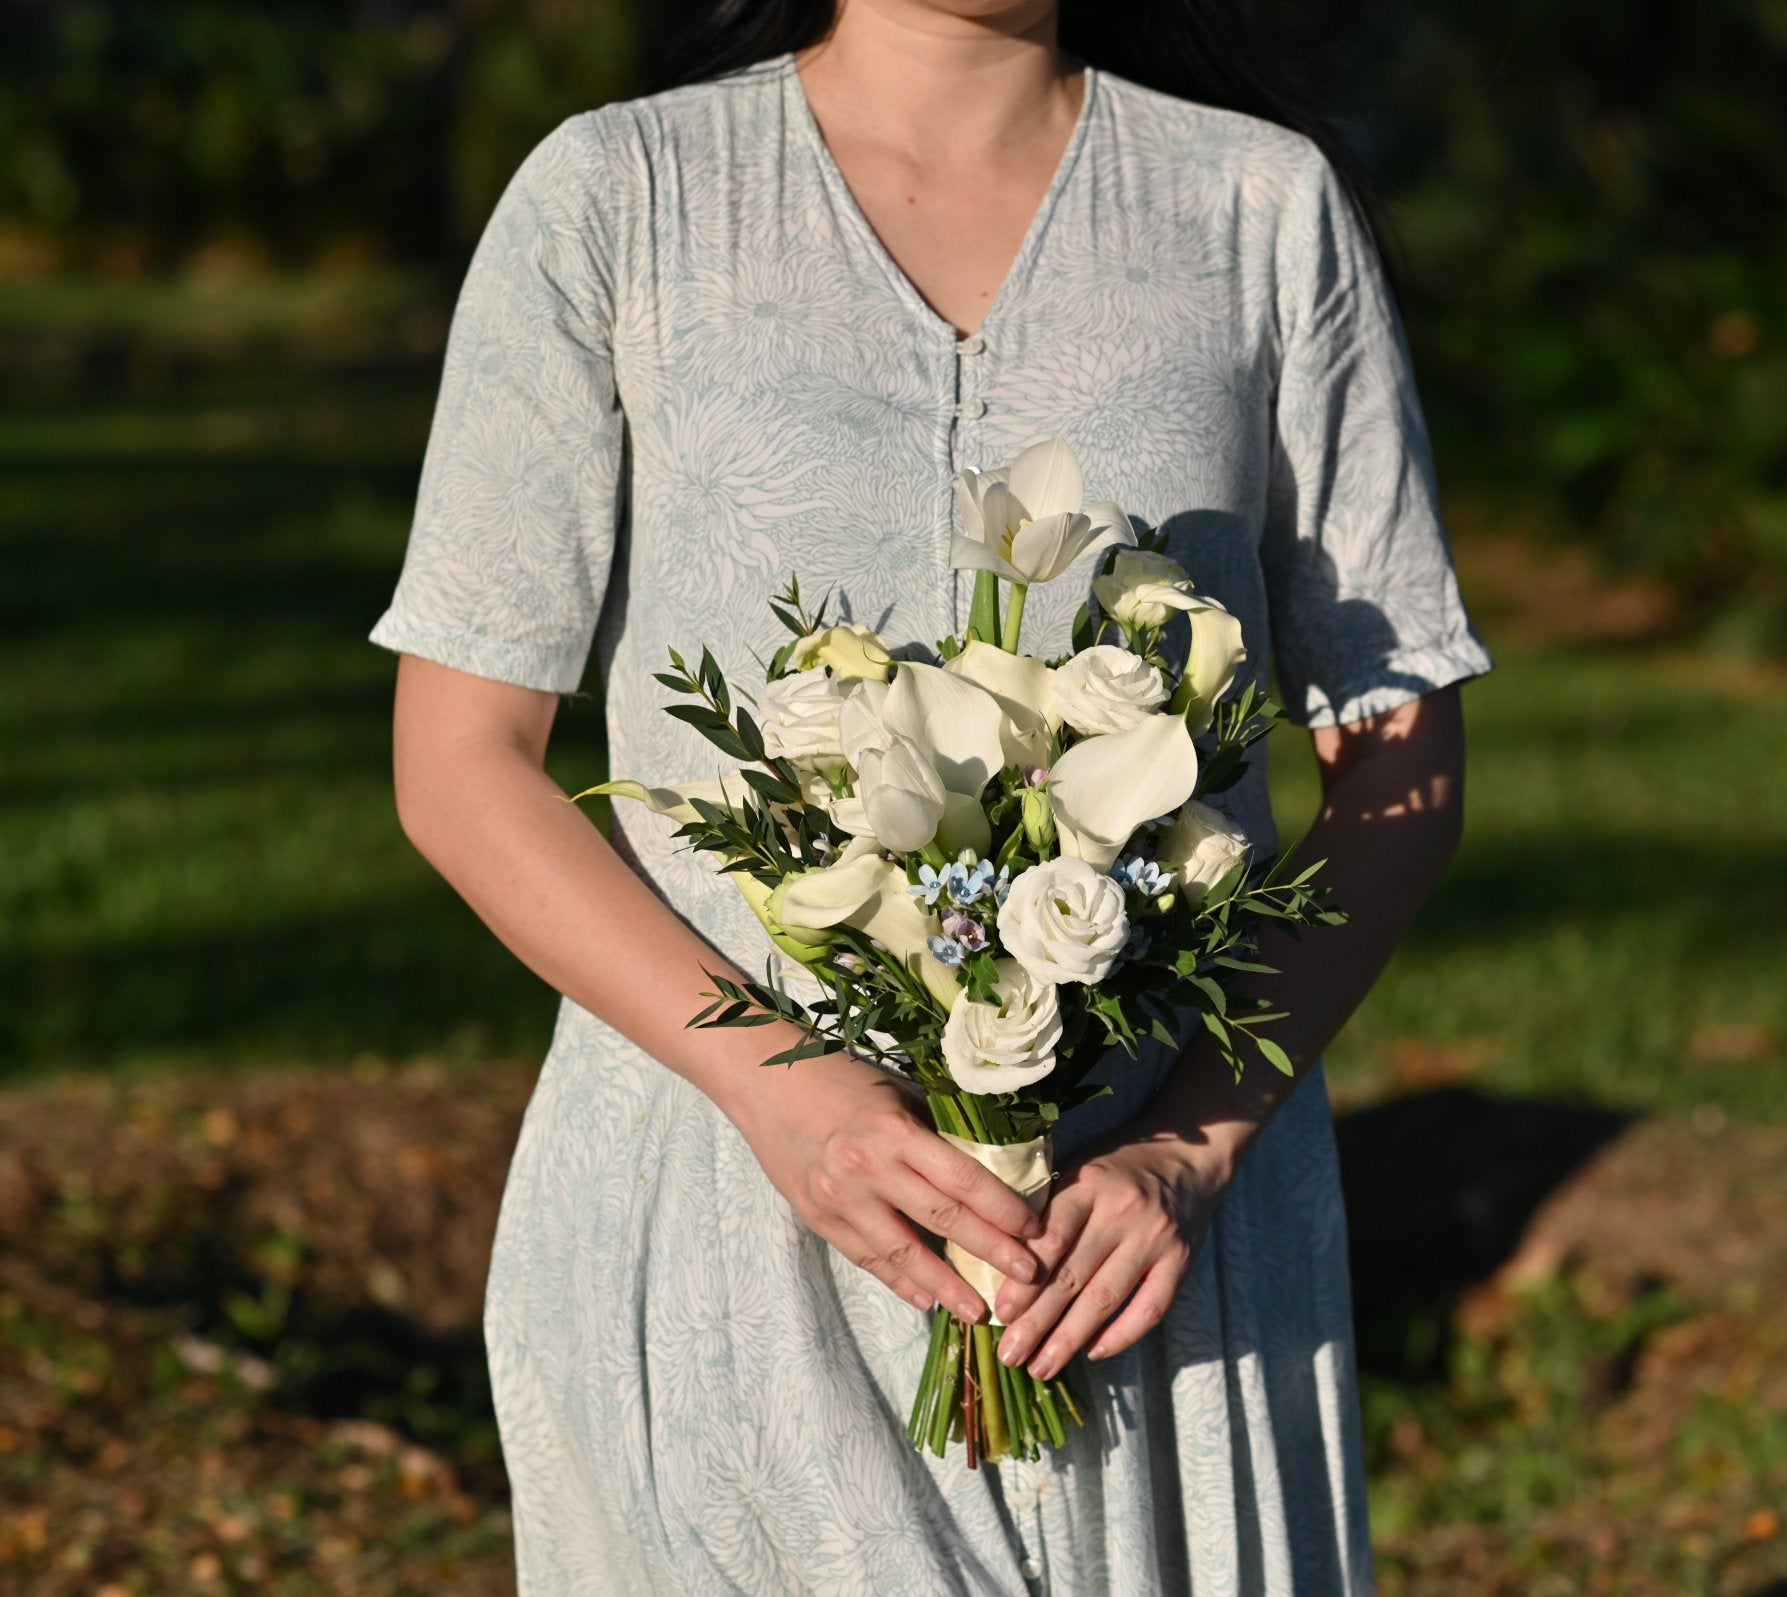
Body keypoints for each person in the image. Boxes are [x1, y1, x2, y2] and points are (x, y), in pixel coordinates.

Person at [373, 1, 1491, 1591]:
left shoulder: (1259, 206)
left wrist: (1190, 1147)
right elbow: (461, 761)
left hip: (1141, 1234)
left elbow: (1403, 766)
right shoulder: (617, 195)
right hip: (721, 1187)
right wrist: (784, 1091)